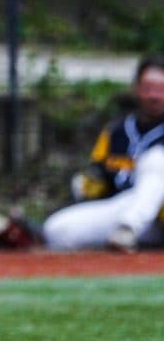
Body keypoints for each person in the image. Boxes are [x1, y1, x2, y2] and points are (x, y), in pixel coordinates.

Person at [39, 55, 164, 252]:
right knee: (57, 230)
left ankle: (130, 229)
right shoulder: (116, 131)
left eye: (160, 89)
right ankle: (125, 244)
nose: (154, 96)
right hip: (124, 206)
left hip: (159, 215)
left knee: (157, 159)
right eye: (148, 88)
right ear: (136, 88)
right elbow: (98, 175)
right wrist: (88, 184)